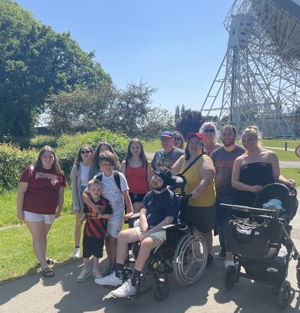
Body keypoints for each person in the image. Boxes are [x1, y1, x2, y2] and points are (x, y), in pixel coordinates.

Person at [94, 167, 180, 298]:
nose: (155, 180)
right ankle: (117, 275)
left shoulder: (170, 197)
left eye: (159, 179)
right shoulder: (149, 194)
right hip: (148, 228)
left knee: (145, 243)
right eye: (155, 177)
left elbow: (169, 219)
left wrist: (150, 232)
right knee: (122, 235)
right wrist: (145, 230)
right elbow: (143, 213)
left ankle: (133, 283)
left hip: (163, 231)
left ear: (165, 183)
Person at [225, 125, 295, 267]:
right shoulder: (240, 160)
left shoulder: (270, 155)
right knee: (239, 231)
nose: (246, 143)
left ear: (257, 139)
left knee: (261, 232)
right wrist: (251, 188)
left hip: (264, 200)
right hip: (244, 199)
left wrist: (287, 181)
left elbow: (277, 176)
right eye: (244, 140)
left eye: (250, 139)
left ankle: (259, 257)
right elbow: (234, 182)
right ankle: (230, 258)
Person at [17, 145, 66, 278]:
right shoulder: (30, 170)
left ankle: (42, 258)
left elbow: (61, 194)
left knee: (43, 236)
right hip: (31, 210)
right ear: (40, 157)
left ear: (54, 158)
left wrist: (59, 209)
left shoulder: (59, 174)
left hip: (49, 211)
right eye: (45, 156)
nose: (48, 159)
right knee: (38, 236)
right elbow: (21, 191)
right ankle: (44, 266)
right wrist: (20, 210)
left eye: (50, 156)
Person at [82, 151, 133, 277]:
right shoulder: (98, 178)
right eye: (105, 164)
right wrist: (93, 206)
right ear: (100, 165)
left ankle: (117, 264)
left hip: (116, 213)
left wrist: (130, 210)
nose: (108, 167)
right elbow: (85, 194)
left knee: (114, 240)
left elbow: (126, 194)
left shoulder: (119, 176)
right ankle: (111, 264)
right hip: (102, 215)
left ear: (114, 164)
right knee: (106, 239)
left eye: (110, 164)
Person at [172, 132, 216, 268]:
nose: (194, 145)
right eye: (192, 142)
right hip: (184, 201)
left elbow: (207, 177)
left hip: (202, 202)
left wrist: (196, 191)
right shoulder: (182, 159)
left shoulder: (205, 159)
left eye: (197, 142)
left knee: (205, 230)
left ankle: (208, 255)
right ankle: (192, 250)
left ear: (202, 145)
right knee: (186, 228)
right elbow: (171, 176)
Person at [211, 125, 245, 260]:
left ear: (235, 135)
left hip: (237, 195)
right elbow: (213, 172)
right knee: (221, 225)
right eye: (224, 134)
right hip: (220, 195)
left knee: (237, 225)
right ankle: (224, 248)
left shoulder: (242, 152)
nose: (226, 136)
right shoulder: (216, 153)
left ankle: (237, 250)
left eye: (229, 134)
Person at [77, 179, 113, 282]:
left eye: (98, 189)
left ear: (101, 190)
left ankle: (95, 268)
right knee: (86, 251)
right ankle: (85, 268)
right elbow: (86, 213)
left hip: (100, 232)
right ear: (89, 190)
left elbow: (111, 214)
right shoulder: (88, 202)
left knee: (97, 252)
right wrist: (81, 219)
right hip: (88, 231)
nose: (96, 191)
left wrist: (103, 215)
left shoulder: (105, 202)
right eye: (93, 189)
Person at [70, 144, 93, 258]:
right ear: (80, 154)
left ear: (91, 153)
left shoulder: (94, 166)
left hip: (93, 195)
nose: (85, 154)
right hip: (80, 195)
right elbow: (73, 187)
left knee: (92, 222)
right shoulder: (76, 167)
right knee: (79, 223)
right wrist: (76, 204)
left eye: (87, 151)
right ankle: (77, 248)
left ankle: (93, 246)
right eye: (82, 152)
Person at [121, 138, 151, 213]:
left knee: (137, 217)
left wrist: (152, 194)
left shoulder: (147, 163)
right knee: (130, 218)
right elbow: (123, 181)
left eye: (137, 147)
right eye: (133, 147)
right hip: (129, 194)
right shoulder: (125, 163)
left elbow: (149, 180)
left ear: (141, 148)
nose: (135, 150)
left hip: (143, 193)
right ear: (130, 149)